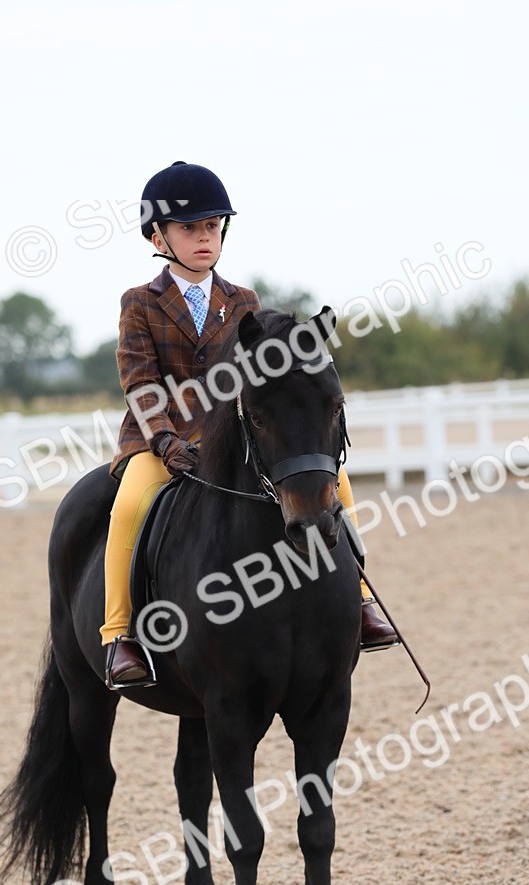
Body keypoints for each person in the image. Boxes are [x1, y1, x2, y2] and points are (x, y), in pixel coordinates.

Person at [101, 161, 397, 689]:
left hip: (230, 437)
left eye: (212, 227)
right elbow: (140, 382)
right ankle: (121, 635)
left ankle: (363, 601)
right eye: (190, 228)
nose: (203, 238)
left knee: (337, 482)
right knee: (130, 504)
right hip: (159, 438)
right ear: (157, 236)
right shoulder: (139, 303)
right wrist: (165, 439)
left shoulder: (244, 303)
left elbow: (264, 381)